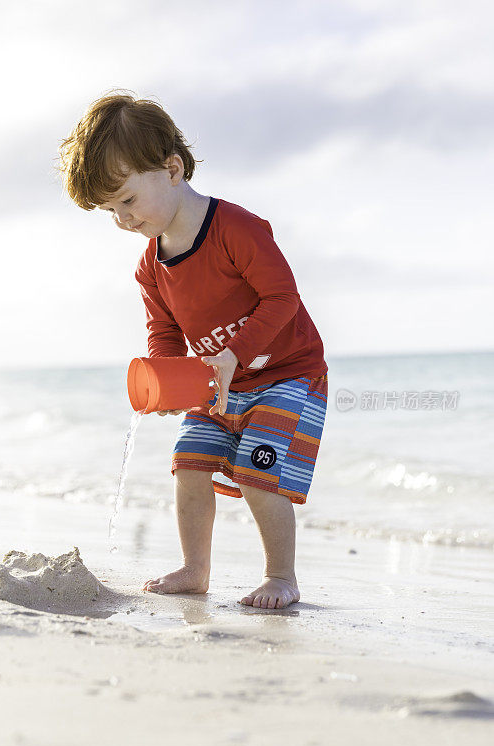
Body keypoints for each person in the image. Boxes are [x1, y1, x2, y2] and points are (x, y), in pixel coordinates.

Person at [57, 90, 328, 609]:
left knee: (259, 471)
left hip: (286, 373)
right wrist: (167, 377)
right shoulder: (150, 267)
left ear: (173, 169)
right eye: (110, 210)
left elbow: (283, 298)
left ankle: (281, 576)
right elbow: (164, 331)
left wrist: (236, 355)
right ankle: (195, 569)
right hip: (215, 380)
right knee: (189, 463)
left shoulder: (235, 229)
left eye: (128, 201)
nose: (123, 220)